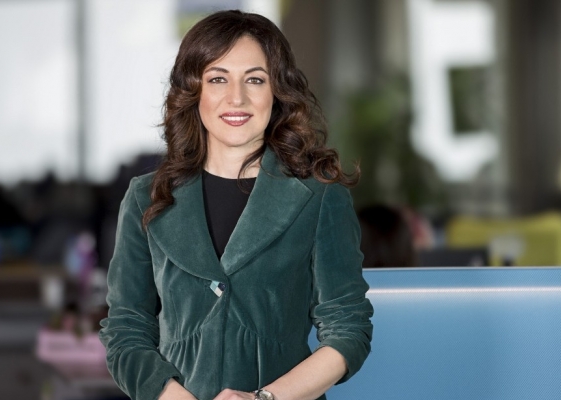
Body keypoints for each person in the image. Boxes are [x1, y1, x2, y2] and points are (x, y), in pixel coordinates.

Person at [99, 10, 373, 400]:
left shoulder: (319, 195)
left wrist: (265, 399)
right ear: (194, 90)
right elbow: (126, 330)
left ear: (277, 91)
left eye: (255, 79)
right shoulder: (146, 197)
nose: (237, 98)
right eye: (218, 78)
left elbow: (348, 330)